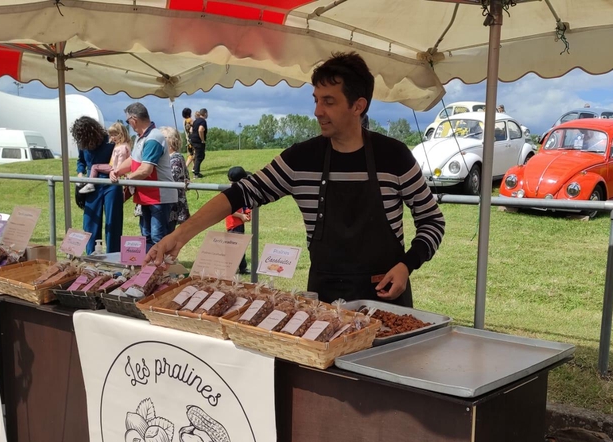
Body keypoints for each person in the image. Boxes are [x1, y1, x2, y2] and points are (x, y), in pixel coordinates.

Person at [146, 52, 446, 306]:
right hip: (324, 301)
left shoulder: (393, 156)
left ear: (358, 106)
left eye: (328, 101)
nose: (317, 111)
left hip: (387, 298)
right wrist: (180, 234)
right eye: (316, 100)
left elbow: (432, 221)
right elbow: (240, 194)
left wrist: (407, 265)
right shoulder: (302, 158)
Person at [110, 103, 175, 251]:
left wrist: (127, 179)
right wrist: (117, 171)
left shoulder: (153, 138)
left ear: (133, 120)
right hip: (148, 195)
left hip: (159, 197)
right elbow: (133, 160)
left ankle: (159, 271)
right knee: (146, 236)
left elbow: (146, 170)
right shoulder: (141, 138)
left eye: (127, 122)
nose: (129, 125)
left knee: (157, 238)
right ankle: (149, 270)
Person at [73, 116, 123, 254]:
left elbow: (120, 156)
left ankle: (113, 255)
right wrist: (80, 174)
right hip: (91, 184)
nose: (88, 144)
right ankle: (91, 255)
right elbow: (81, 160)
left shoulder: (110, 140)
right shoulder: (82, 142)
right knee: (90, 221)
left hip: (110, 183)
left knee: (113, 221)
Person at [80, 122, 131, 194]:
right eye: (111, 135)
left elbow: (121, 162)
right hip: (114, 167)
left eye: (115, 135)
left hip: (114, 168)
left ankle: (90, 184)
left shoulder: (121, 148)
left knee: (94, 167)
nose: (113, 137)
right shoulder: (123, 145)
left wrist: (116, 172)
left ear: (122, 134)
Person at [158, 126, 191, 230]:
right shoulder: (165, 158)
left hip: (172, 204)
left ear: (170, 141)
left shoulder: (176, 158)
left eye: (162, 138)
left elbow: (171, 177)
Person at [225, 166, 252, 275]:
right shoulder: (230, 192)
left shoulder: (240, 191)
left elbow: (245, 206)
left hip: (239, 224)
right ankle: (231, 268)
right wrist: (241, 216)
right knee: (234, 248)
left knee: (240, 246)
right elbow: (227, 210)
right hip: (233, 225)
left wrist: (247, 213)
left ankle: (242, 268)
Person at [189, 108, 208, 178]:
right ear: (205, 113)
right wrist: (202, 140)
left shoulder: (196, 121)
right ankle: (196, 173)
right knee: (200, 156)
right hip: (198, 141)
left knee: (197, 155)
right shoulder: (203, 121)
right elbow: (200, 130)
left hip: (193, 140)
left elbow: (191, 130)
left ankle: (195, 169)